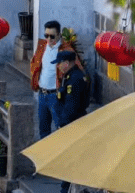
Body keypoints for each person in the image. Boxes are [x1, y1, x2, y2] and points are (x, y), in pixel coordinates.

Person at [29, 20, 83, 139]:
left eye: (52, 36)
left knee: (60, 128)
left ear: (59, 35)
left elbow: (77, 70)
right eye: (46, 35)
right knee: (43, 130)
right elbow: (35, 65)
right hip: (42, 94)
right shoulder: (42, 46)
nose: (49, 39)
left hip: (56, 95)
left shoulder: (66, 51)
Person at [53, 50, 91, 193]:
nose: (58, 66)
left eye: (59, 63)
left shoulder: (75, 79)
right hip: (69, 123)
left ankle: (66, 189)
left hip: (73, 124)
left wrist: (62, 125)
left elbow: (71, 106)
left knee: (70, 160)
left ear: (67, 63)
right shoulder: (69, 76)